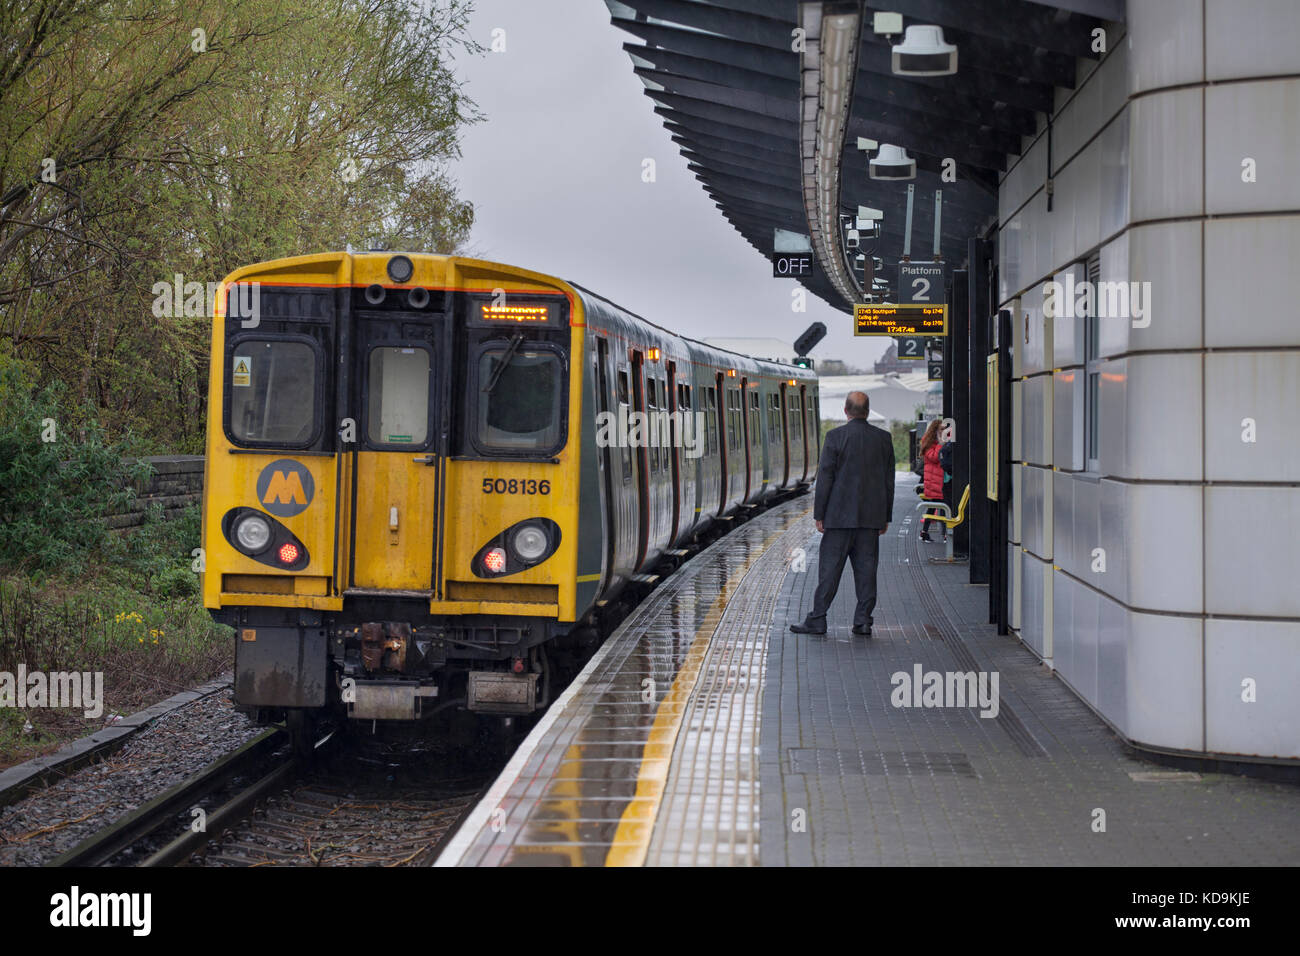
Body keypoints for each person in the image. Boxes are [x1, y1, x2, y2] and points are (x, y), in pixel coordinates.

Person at [790, 391, 894, 637]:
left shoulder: (835, 437)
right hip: (870, 520)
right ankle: (863, 621)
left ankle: (818, 619)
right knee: (867, 571)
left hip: (838, 519)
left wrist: (819, 514)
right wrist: (885, 517)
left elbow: (825, 477)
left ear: (845, 411)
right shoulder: (883, 438)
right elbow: (888, 481)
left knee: (829, 570)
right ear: (867, 412)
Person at [918, 419, 946, 542]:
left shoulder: (935, 442)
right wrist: (941, 444)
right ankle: (945, 535)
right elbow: (935, 457)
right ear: (934, 431)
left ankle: (924, 533)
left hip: (937, 479)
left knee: (939, 506)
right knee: (944, 506)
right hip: (934, 481)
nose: (943, 432)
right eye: (941, 429)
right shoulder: (928, 443)